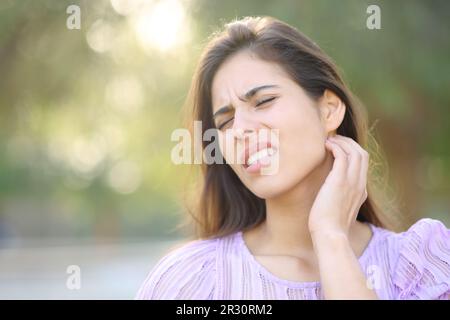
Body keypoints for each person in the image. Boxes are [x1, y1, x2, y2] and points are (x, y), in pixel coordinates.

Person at [136, 16, 450, 300]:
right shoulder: (191, 282)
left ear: (329, 110)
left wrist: (330, 237)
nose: (241, 129)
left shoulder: (423, 266)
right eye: (226, 121)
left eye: (264, 100)